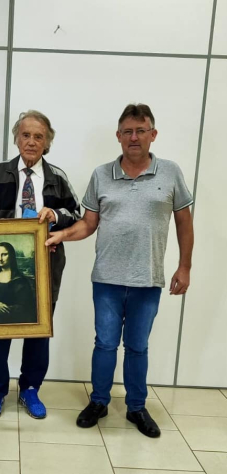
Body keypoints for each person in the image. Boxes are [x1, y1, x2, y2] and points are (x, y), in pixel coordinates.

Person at [46, 103, 194, 438]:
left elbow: (184, 222)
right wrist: (61, 235)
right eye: (128, 131)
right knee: (105, 344)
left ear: (153, 135)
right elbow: (88, 224)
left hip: (148, 278)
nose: (134, 137)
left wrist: (184, 267)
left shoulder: (170, 172)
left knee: (138, 347)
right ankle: (98, 401)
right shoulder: (101, 174)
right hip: (107, 279)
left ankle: (136, 407)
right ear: (118, 136)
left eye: (141, 131)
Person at [0, 110, 80, 419]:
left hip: (45, 267)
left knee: (38, 331)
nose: (32, 142)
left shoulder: (57, 177)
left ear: (47, 142)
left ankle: (31, 389)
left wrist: (55, 215)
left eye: (39, 136)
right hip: (2, 270)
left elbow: (76, 214)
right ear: (16, 138)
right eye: (26, 135)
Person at [0, 242, 36, 325]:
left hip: (13, 323)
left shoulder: (20, 281)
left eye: (4, 254)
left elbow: (26, 307)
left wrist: (1, 310)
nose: (0, 258)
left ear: (11, 256)